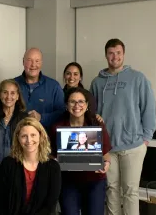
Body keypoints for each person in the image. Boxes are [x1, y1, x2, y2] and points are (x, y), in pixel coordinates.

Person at [90, 38, 156, 215]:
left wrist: (146, 139)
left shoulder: (138, 78)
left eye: (118, 53)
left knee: (130, 193)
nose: (115, 56)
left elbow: (148, 108)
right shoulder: (97, 82)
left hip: (133, 146)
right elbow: (91, 114)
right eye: (111, 53)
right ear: (106, 55)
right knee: (111, 190)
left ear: (123, 54)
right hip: (107, 148)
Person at [50, 87, 111, 215]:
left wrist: (106, 164)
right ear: (66, 105)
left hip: (95, 181)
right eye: (72, 102)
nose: (77, 105)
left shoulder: (97, 124)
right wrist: (56, 161)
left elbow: (106, 155)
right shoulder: (57, 127)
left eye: (81, 101)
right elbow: (50, 155)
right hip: (68, 182)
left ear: (87, 105)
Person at [0, 117, 61, 215]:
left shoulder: (53, 167)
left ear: (41, 136)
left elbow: (50, 205)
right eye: (24, 136)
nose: (29, 140)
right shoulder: (7, 164)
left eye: (33, 135)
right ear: (17, 138)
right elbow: (1, 201)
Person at [0, 79, 28, 215]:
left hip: (18, 173)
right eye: (5, 92)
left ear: (17, 96)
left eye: (12, 93)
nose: (8, 97)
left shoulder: (23, 118)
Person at [14, 48, 66, 129]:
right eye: (29, 60)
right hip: (17, 137)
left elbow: (63, 113)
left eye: (37, 61)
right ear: (23, 62)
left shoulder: (54, 86)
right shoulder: (13, 85)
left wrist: (41, 118)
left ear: (41, 63)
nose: (33, 65)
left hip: (46, 138)